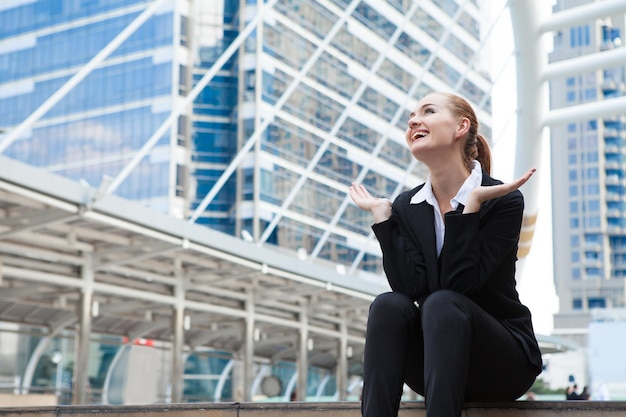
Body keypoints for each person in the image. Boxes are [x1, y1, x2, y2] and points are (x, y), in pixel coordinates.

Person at [349, 92, 543, 417]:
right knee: (387, 304)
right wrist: (384, 218)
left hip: (501, 361)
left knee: (442, 301)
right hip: (435, 365)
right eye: (411, 116)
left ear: (460, 127)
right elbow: (409, 289)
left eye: (427, 111)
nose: (413, 121)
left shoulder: (504, 201)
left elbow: (460, 285)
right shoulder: (405, 207)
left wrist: (470, 208)